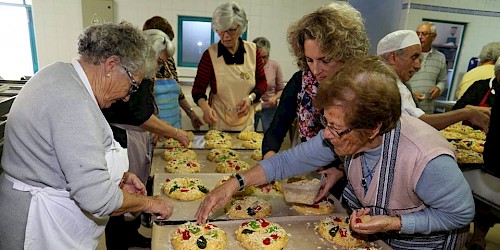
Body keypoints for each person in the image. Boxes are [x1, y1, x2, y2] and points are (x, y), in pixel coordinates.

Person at [196, 56, 475, 248]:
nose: (327, 134)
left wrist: (396, 222)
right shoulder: (343, 134)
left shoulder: (425, 158)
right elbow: (288, 161)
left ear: (373, 127)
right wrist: (235, 183)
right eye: (325, 123)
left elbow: (460, 215)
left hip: (422, 245)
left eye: (336, 128)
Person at [0, 22, 173, 249]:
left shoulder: (61, 75)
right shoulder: (73, 103)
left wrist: (118, 176)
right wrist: (148, 203)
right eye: (132, 86)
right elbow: (97, 198)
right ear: (111, 65)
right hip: (37, 226)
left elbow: (71, 160)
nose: (127, 98)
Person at [261, 2, 369, 198]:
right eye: (310, 60)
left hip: (355, 184)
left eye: (324, 60)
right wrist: (270, 161)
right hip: (313, 176)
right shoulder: (301, 81)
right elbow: (277, 128)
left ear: (345, 54)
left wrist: (341, 170)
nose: (316, 70)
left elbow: (374, 148)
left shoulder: (363, 87)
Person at [102, 28, 188, 249]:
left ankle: (131, 237)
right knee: (121, 191)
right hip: (123, 136)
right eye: (159, 61)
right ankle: (118, 244)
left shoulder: (144, 75)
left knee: (135, 188)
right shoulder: (135, 76)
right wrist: (175, 132)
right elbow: (140, 115)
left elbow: (146, 110)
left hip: (135, 135)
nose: (160, 67)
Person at [377, 30, 490, 131]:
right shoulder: (390, 84)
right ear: (393, 57)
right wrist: (467, 113)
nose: (418, 66)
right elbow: (421, 123)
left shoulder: (385, 79)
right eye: (414, 57)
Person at [192, 1, 267, 131]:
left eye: (231, 30)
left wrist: (250, 98)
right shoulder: (210, 55)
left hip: (246, 123)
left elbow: (262, 82)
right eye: (221, 31)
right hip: (219, 122)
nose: (225, 36)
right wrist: (206, 108)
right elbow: (198, 91)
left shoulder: (253, 51)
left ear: (241, 27)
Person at [143, 16, 203, 130]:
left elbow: (178, 93)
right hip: (154, 129)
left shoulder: (168, 60)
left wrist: (191, 113)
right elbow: (141, 108)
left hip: (175, 126)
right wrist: (157, 127)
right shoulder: (143, 67)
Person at [407, 22, 447, 114]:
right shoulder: (408, 55)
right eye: (418, 33)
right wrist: (410, 95)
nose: (420, 37)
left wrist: (438, 89)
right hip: (408, 108)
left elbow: (442, 81)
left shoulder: (440, 57)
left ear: (433, 37)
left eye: (424, 34)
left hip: (427, 110)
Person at [252, 37, 285, 133]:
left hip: (269, 108)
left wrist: (275, 97)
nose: (262, 61)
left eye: (265, 57)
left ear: (269, 54)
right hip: (252, 107)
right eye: (258, 57)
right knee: (249, 134)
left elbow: (281, 89)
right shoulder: (248, 67)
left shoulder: (275, 66)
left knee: (270, 134)